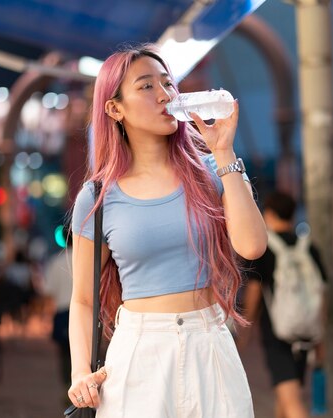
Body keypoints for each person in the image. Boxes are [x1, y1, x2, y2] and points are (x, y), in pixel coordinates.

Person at [69, 44, 267, 417]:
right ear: (115, 109)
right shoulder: (98, 197)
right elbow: (82, 299)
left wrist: (224, 152)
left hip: (210, 343)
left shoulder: (214, 172)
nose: (164, 95)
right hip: (139, 352)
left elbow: (253, 246)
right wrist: (80, 371)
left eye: (167, 84)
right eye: (146, 87)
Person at [240, 191, 327, 418]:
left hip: (277, 333)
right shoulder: (309, 248)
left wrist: (245, 330)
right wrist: (320, 336)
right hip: (306, 332)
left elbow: (254, 291)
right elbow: (321, 292)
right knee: (286, 395)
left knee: (291, 401)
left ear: (268, 214)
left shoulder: (263, 247)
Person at [41, 241, 74, 401]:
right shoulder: (91, 258)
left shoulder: (57, 261)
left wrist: (47, 316)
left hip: (62, 313)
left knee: (64, 352)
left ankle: (68, 386)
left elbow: (48, 292)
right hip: (87, 312)